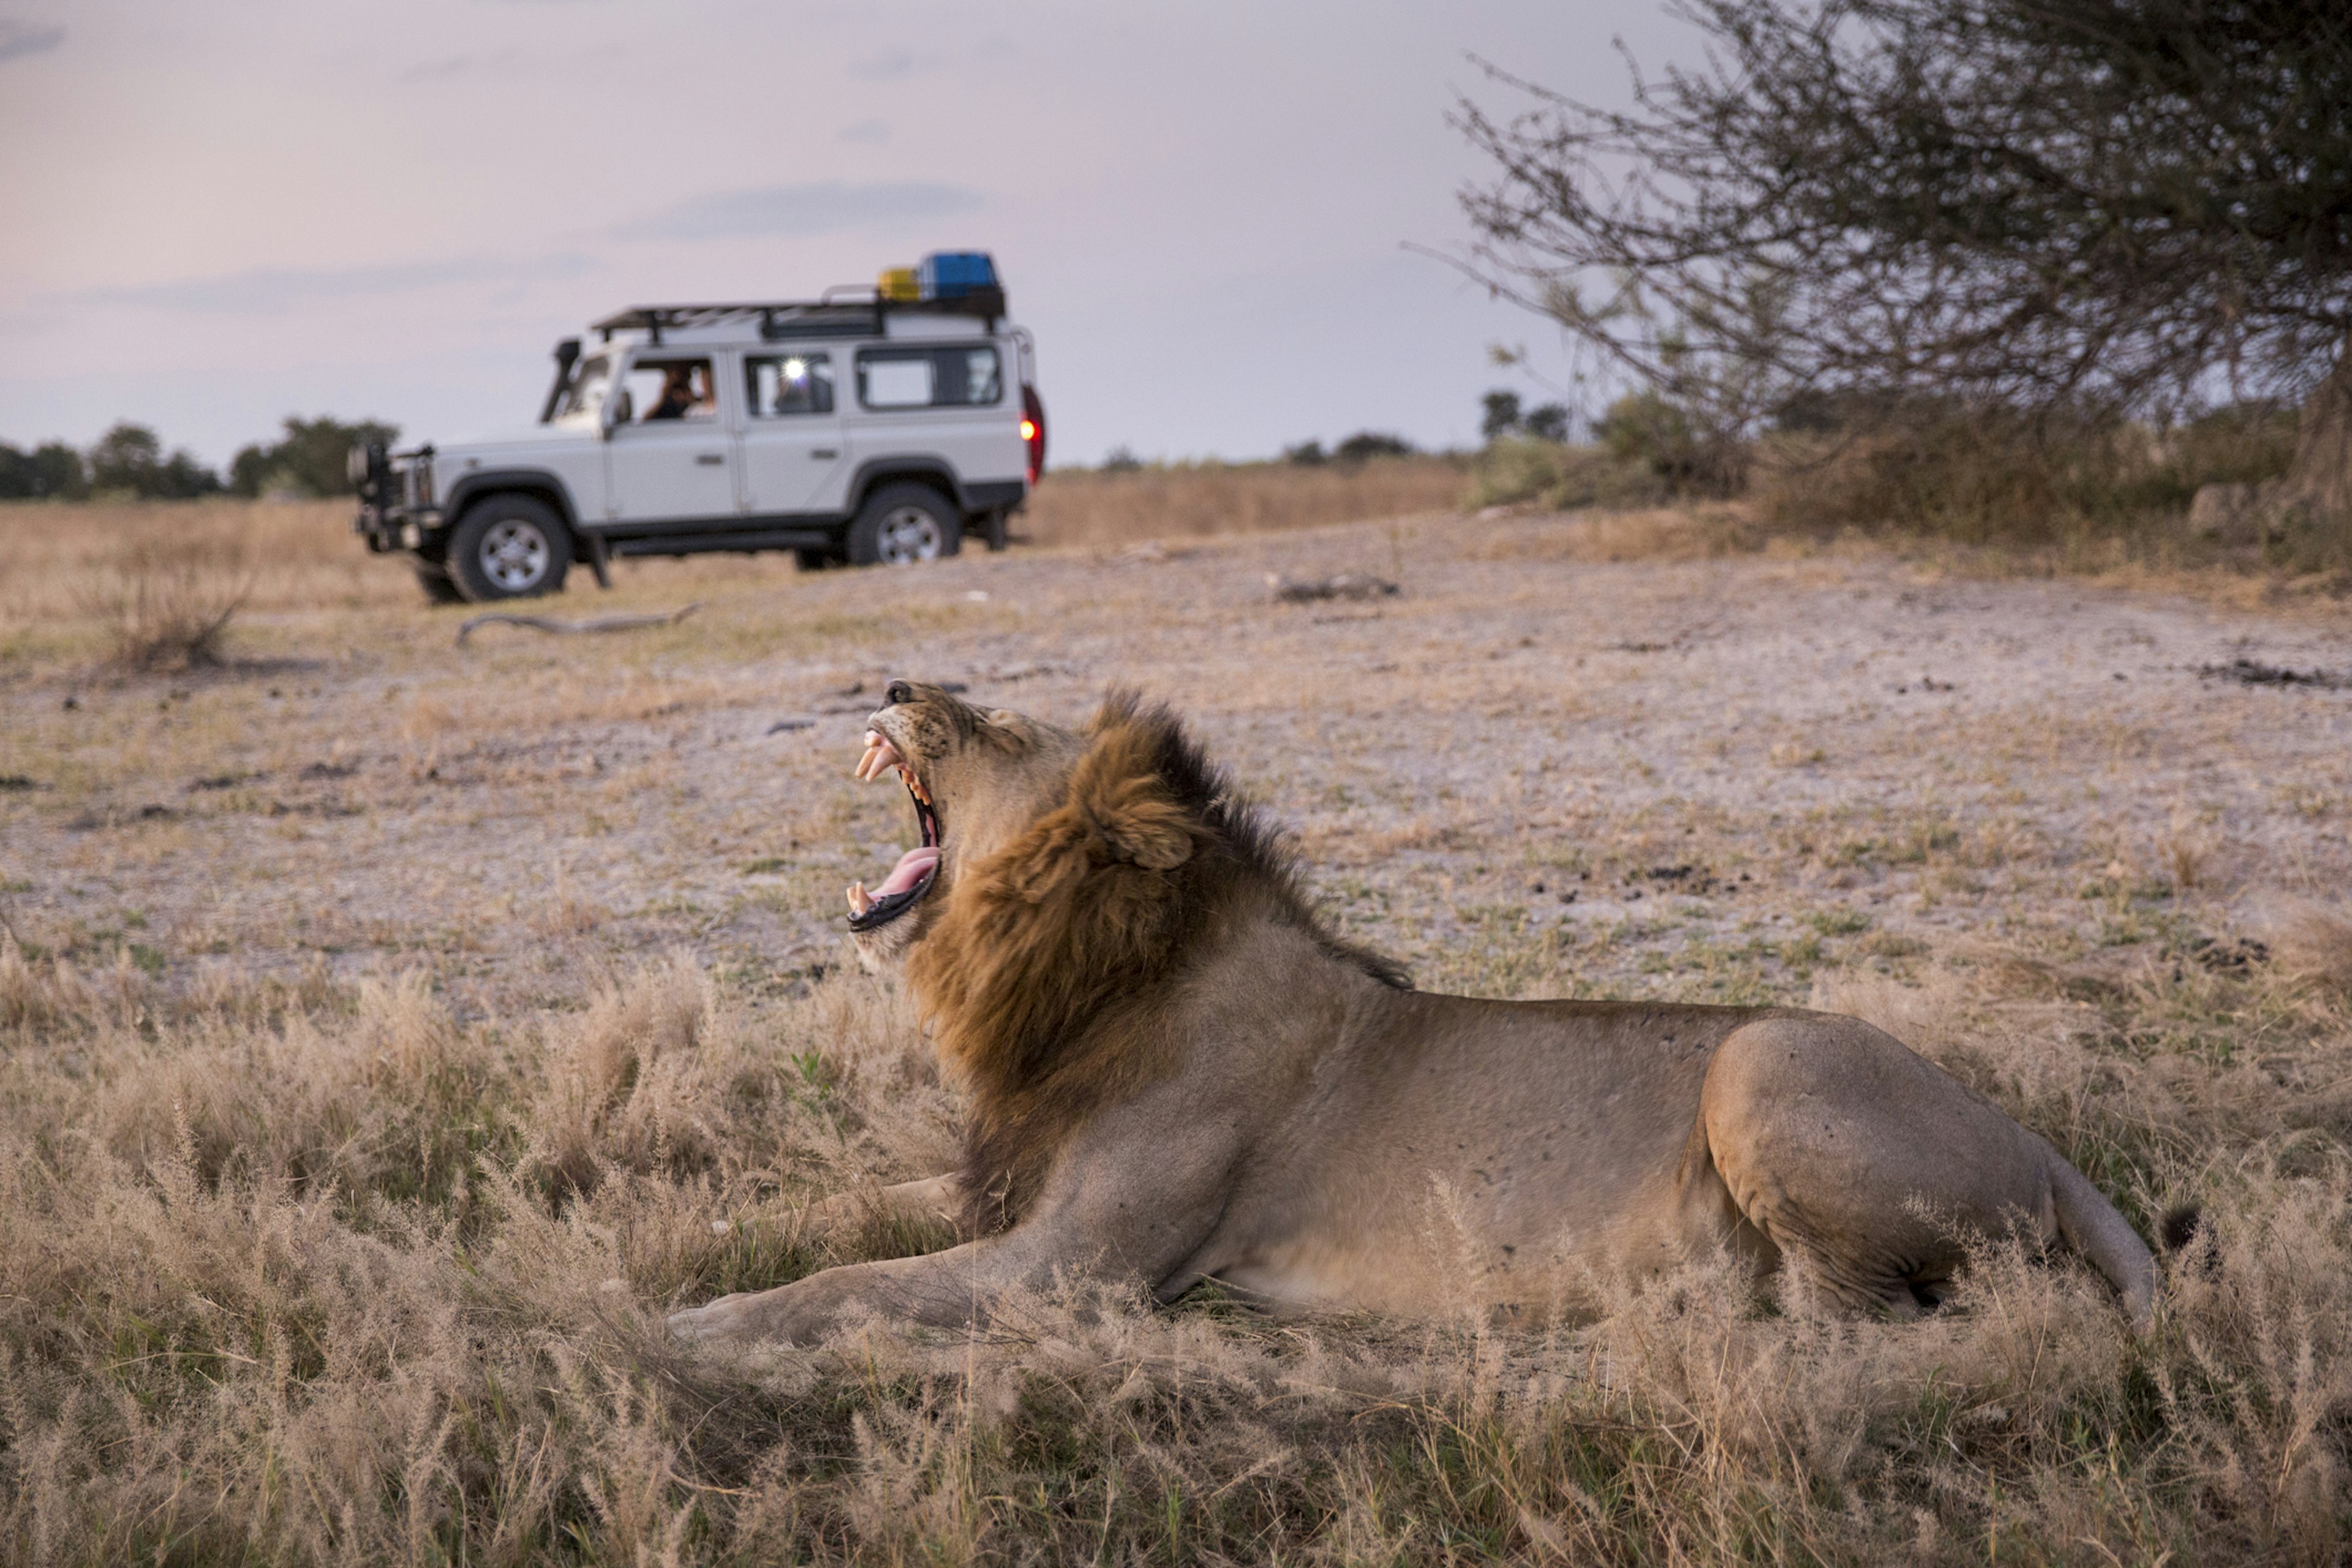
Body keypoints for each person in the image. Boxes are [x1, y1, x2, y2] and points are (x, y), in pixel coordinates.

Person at [644, 362, 710, 421]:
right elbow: (646, 420)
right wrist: (663, 399)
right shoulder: (665, 404)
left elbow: (703, 410)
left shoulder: (695, 402)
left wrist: (689, 399)